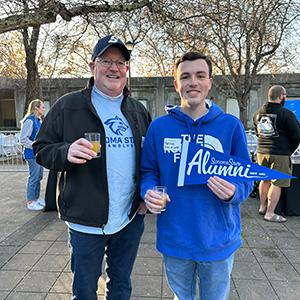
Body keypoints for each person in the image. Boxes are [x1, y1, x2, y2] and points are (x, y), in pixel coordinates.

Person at [33, 35, 151, 299]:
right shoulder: (69, 105)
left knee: (121, 286)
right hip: (86, 222)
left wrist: (145, 196)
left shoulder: (137, 111)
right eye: (106, 60)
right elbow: (41, 149)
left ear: (127, 70)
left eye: (121, 62)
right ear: (92, 66)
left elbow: (149, 161)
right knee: (85, 291)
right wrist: (66, 151)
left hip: (129, 220)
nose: (114, 68)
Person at [140, 51, 253, 300]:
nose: (193, 82)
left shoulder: (230, 126)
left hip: (218, 240)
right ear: (176, 83)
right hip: (175, 239)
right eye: (186, 76)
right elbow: (149, 172)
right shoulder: (159, 128)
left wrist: (235, 191)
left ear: (210, 82)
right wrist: (148, 192)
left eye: (200, 75)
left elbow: (246, 177)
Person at [253, 85, 300, 222]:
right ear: (281, 96)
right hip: (280, 154)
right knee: (277, 183)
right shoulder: (286, 114)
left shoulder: (258, 113)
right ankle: (270, 213)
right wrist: (289, 150)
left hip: (261, 152)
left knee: (265, 179)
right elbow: (297, 136)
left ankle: (262, 207)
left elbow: (258, 132)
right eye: (284, 95)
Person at [20, 99, 45, 211]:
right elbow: (23, 139)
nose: (44, 109)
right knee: (33, 177)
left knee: (38, 177)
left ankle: (36, 199)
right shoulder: (29, 121)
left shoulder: (37, 120)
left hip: (38, 154)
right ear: (36, 108)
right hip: (31, 154)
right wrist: (35, 146)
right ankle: (30, 201)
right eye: (42, 107)